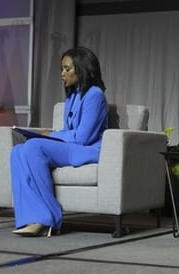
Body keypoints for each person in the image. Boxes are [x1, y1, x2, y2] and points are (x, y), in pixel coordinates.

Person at [10, 46, 109, 237]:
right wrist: (53, 134)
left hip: (87, 149)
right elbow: (68, 131)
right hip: (72, 147)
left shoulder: (95, 94)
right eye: (61, 69)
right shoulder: (72, 96)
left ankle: (49, 219)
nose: (62, 74)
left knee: (34, 146)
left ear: (82, 68)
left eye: (67, 69)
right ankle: (29, 218)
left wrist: (52, 135)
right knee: (17, 151)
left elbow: (82, 137)